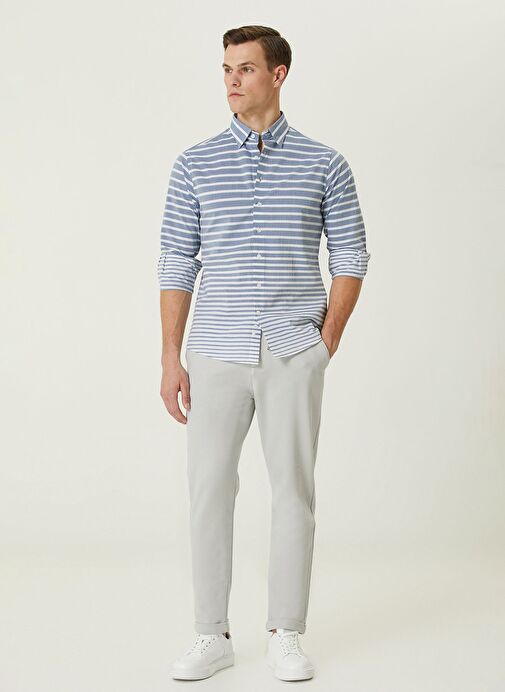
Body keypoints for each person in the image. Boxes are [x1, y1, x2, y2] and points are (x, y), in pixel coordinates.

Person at [158, 24, 371, 681]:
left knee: (293, 493)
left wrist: (325, 341)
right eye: (226, 68)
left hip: (291, 348)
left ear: (278, 74)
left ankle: (286, 632)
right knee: (208, 491)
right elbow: (176, 262)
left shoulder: (324, 163)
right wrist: (170, 357)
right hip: (215, 350)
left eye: (245, 68)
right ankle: (210, 634)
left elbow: (352, 253)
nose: (231, 80)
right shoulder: (194, 165)